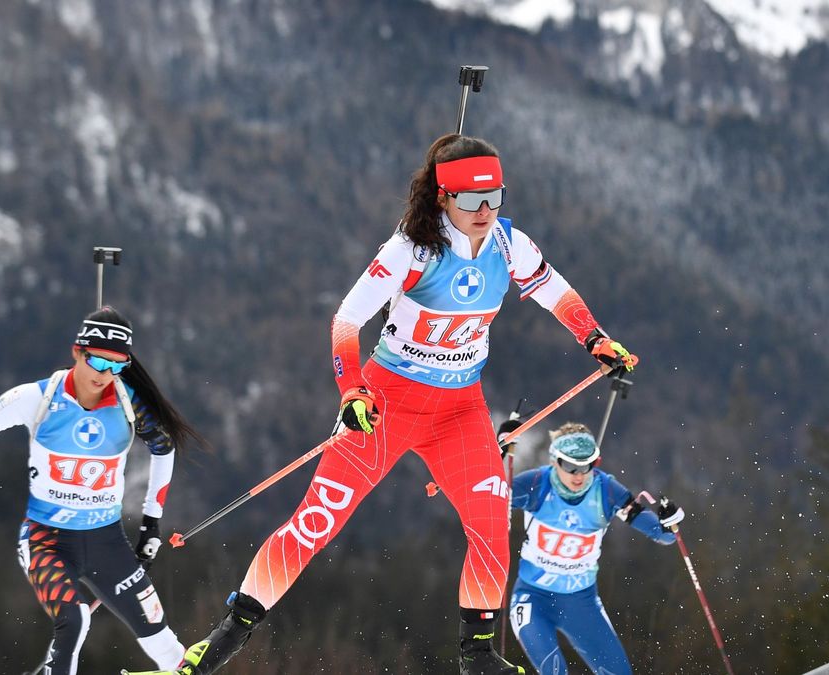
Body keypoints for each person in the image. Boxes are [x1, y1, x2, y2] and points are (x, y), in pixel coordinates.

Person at [131, 133, 637, 675]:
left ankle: (478, 657)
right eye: (470, 200)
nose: (485, 211)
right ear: (444, 197)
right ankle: (218, 646)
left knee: (491, 526)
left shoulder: (512, 246)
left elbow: (555, 292)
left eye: (495, 198)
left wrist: (595, 339)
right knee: (315, 525)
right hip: (386, 405)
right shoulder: (412, 250)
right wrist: (351, 390)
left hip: (459, 411)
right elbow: (347, 321)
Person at [0, 306, 201, 675]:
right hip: (46, 540)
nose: (105, 376)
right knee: (75, 621)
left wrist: (152, 524)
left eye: (117, 366)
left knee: (161, 639)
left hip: (106, 542)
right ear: (77, 352)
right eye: (98, 363)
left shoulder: (128, 403)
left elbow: (163, 449)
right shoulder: (35, 398)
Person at [498, 420, 684, 674]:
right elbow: (484, 498)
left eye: (586, 465)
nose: (579, 474)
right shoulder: (536, 484)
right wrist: (498, 456)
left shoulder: (605, 490)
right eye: (570, 465)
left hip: (581, 603)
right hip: (533, 599)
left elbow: (663, 536)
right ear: (554, 461)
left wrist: (669, 522)